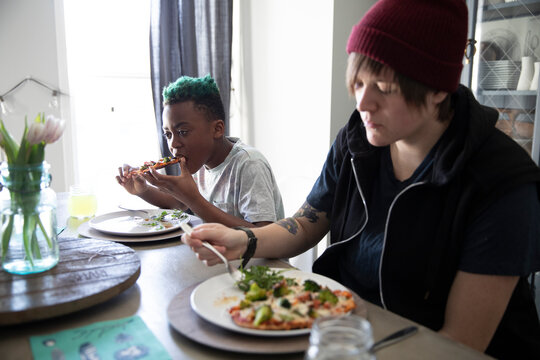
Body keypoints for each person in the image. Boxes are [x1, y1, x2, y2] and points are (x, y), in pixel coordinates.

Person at [182, 0, 540, 358]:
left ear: (437, 90)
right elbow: (306, 224)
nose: (363, 102)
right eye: (358, 82)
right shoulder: (357, 142)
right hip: (350, 331)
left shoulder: (501, 182)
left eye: (383, 88)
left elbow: (458, 343)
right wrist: (244, 240)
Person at [116, 75, 284, 227]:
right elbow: (178, 203)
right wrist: (142, 190)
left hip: (257, 261)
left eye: (183, 132)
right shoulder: (200, 162)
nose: (173, 144)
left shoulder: (248, 163)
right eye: (168, 134)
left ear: (217, 129)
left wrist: (194, 199)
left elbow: (264, 235)